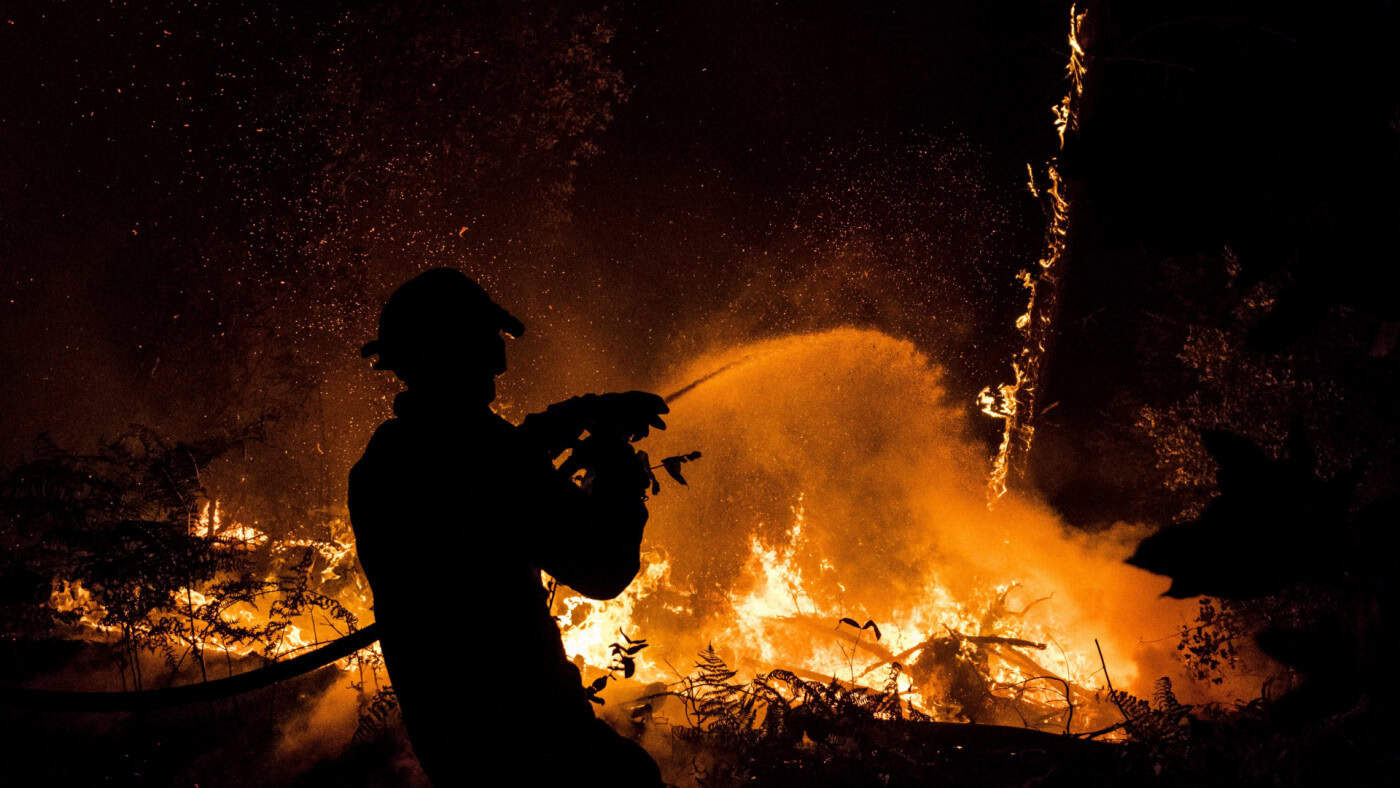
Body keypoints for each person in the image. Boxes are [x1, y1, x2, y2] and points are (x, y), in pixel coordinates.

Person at [348, 268, 667, 786]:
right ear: (453, 350)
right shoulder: (492, 459)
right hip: (531, 737)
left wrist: (565, 420)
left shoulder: (382, 463)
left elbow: (463, 483)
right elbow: (602, 568)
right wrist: (617, 477)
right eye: (485, 340)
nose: (498, 359)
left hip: (452, 740)